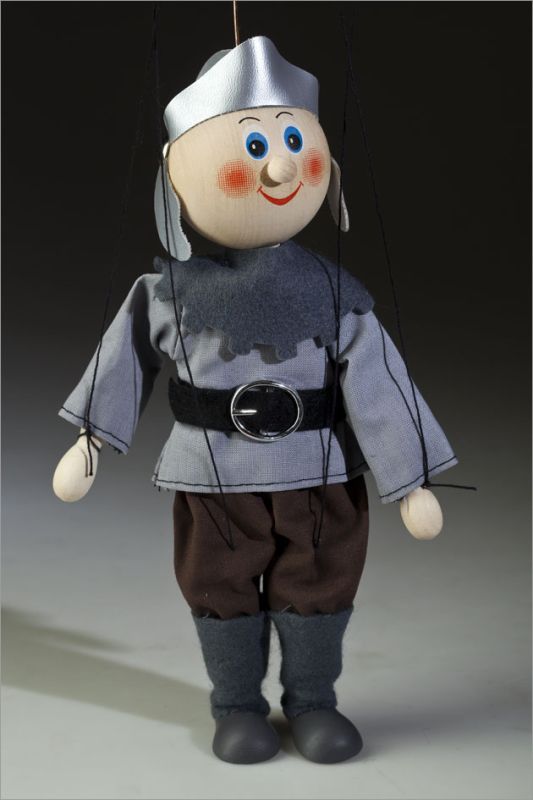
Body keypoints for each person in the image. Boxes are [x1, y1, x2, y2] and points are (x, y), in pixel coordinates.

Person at [53, 36, 457, 764]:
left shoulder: (335, 294)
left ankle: (313, 701)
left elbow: (378, 382)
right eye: (257, 146)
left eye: (294, 142)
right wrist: (91, 436)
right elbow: (126, 359)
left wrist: (411, 478)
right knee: (218, 586)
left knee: (321, 583)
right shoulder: (168, 294)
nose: (279, 166)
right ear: (177, 178)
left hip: (318, 475)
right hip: (214, 479)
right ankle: (236, 705)